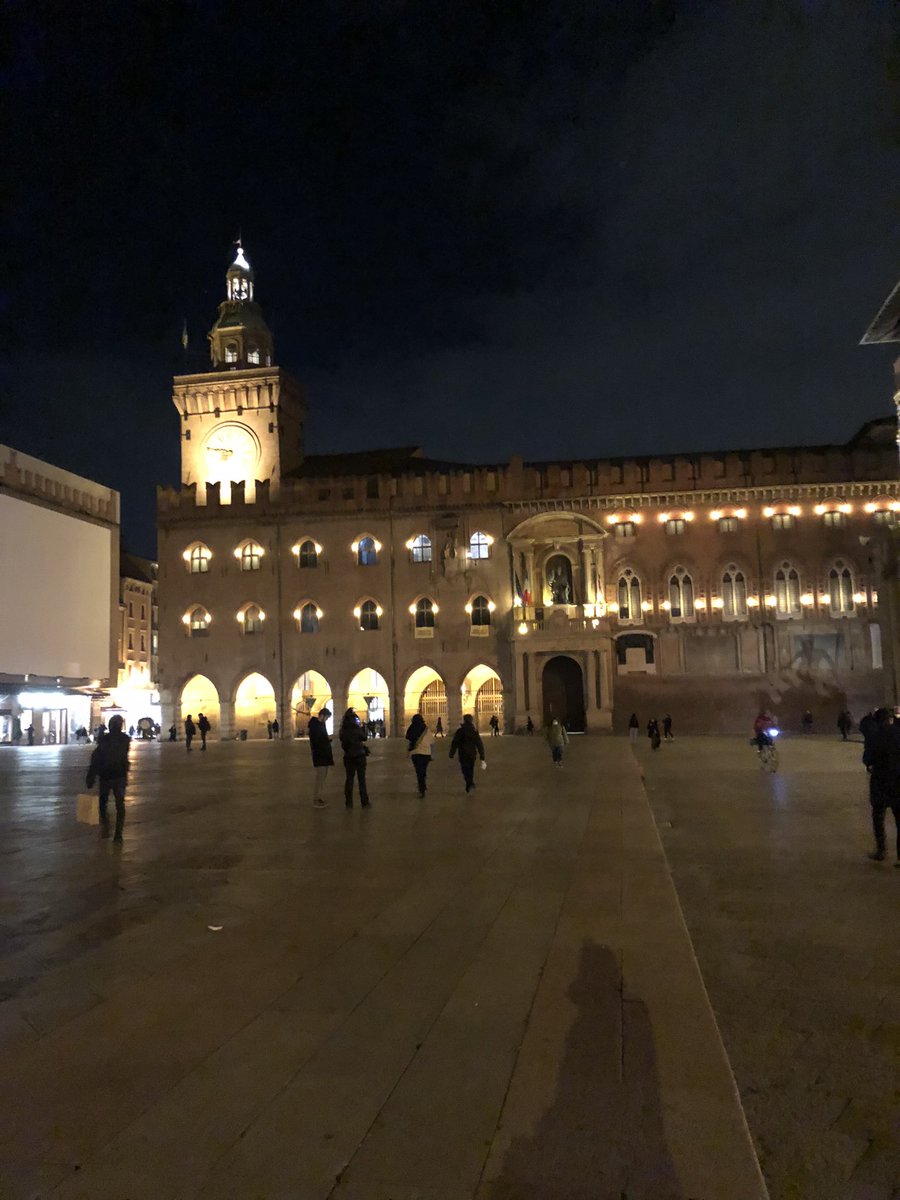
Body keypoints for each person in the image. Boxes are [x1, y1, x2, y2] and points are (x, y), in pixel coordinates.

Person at [863, 708, 900, 864]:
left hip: (880, 782)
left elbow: (867, 759)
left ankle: (881, 850)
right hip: (898, 781)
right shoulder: (898, 733)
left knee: (878, 818)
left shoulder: (874, 736)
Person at [86, 714, 131, 842]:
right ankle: (118, 833)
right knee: (120, 804)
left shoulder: (104, 739)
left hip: (106, 775)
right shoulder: (125, 739)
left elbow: (97, 757)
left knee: (103, 802)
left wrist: (91, 775)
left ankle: (106, 825)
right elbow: (123, 757)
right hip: (120, 775)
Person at [339, 709, 371, 808]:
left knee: (349, 779)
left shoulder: (343, 730)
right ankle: (364, 802)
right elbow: (364, 737)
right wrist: (363, 727)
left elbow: (343, 742)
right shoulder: (357, 729)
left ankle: (348, 802)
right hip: (360, 756)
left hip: (348, 756)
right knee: (361, 780)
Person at [449, 714, 485, 793]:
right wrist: (482, 755)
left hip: (463, 754)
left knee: (465, 769)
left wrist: (452, 753)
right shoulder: (474, 731)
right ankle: (470, 782)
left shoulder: (460, 731)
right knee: (470, 769)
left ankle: (469, 782)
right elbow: (479, 744)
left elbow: (455, 742)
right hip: (472, 754)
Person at [307, 707, 333, 807]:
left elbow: (323, 738)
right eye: (326, 717)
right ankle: (316, 799)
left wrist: (328, 739)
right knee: (320, 777)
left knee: (323, 777)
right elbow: (316, 741)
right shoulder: (315, 726)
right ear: (322, 716)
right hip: (319, 754)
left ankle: (319, 797)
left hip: (324, 753)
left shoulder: (321, 724)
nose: (326, 720)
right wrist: (328, 739)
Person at [405, 713, 434, 797]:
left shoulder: (412, 727)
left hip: (416, 752)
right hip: (426, 753)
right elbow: (432, 742)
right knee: (423, 771)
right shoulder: (426, 729)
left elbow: (408, 737)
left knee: (419, 771)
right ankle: (423, 785)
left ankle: (422, 788)